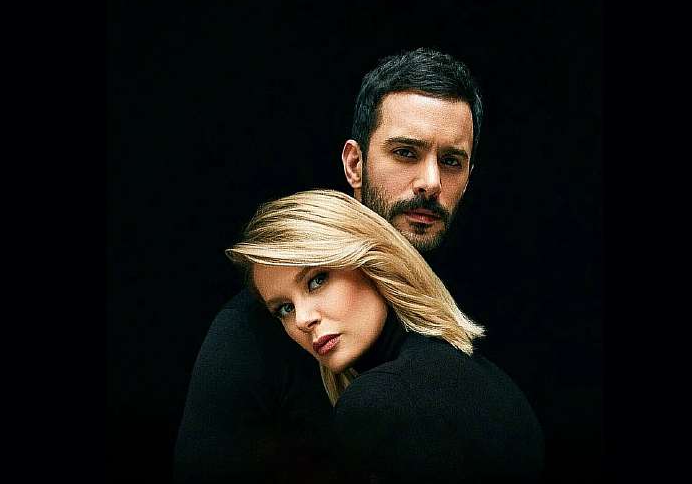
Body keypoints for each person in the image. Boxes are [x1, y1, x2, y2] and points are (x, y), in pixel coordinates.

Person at [174, 48, 537, 482]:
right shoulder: (251, 332)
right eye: (405, 152)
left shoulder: (452, 335)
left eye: (451, 161)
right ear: (354, 164)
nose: (431, 182)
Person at [227, 189, 544, 483]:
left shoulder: (379, 401)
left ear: (373, 262)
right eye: (284, 308)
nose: (302, 320)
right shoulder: (475, 370)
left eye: (317, 280)